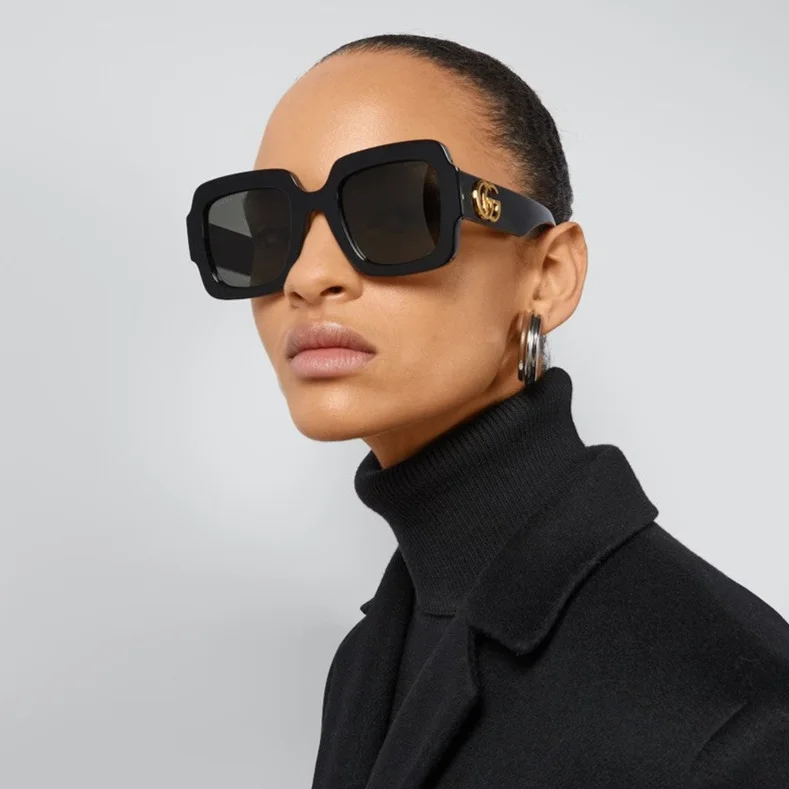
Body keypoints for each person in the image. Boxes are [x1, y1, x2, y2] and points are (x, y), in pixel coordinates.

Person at [185, 32, 789, 788]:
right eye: (266, 229)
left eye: (393, 210)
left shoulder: (735, 714)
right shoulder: (369, 660)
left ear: (548, 274)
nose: (306, 277)